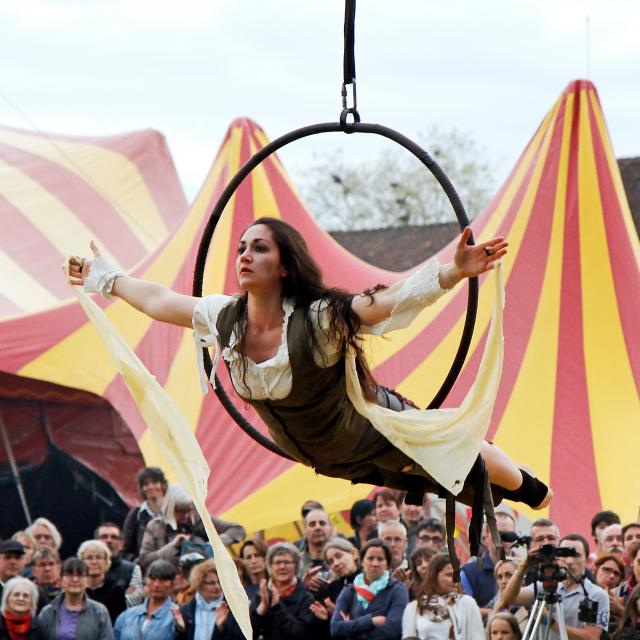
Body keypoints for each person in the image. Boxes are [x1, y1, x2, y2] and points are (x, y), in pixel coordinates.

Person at [69, 218, 552, 512]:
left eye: (259, 248)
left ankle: (529, 486)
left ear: (284, 266)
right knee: (441, 477)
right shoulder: (224, 319)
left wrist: (452, 272)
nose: (245, 254)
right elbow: (158, 300)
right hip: (331, 458)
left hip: (372, 428)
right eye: (241, 247)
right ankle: (513, 485)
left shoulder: (318, 319)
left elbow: (384, 303)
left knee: (455, 451)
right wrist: (106, 278)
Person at [501, 535, 610, 640]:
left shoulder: (596, 594)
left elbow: (591, 638)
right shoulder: (544, 586)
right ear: (556, 558)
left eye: (575, 555)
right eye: (564, 555)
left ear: (588, 561)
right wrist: (524, 566)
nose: (569, 561)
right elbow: (509, 598)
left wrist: (550, 621)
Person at [139, 485, 246, 572]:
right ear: (170, 509)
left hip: (202, 578)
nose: (185, 516)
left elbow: (237, 530)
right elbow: (144, 560)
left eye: (188, 510)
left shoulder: (200, 520)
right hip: (170, 580)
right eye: (180, 512)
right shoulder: (155, 526)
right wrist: (172, 547)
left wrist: (212, 544)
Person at [331, 539, 408, 639]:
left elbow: (393, 629)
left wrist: (352, 628)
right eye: (370, 558)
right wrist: (371, 621)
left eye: (380, 559)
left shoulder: (397, 590)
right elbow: (336, 628)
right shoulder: (350, 590)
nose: (375, 564)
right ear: (362, 562)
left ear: (387, 564)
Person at [402, 552, 484, 639]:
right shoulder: (413, 608)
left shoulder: (467, 603)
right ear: (434, 576)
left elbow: (478, 636)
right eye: (449, 575)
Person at [250, 542, 319, 640]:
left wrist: (277, 607)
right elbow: (250, 635)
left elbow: (301, 634)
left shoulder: (306, 598)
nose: (282, 566)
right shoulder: (261, 596)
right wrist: (261, 609)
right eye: (277, 562)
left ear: (296, 567)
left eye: (287, 562)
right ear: (270, 567)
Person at [38, 557, 113, 640]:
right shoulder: (48, 612)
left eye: (80, 575)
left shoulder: (99, 611)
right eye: (69, 574)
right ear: (61, 579)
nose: (75, 579)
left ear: (87, 580)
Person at [175, 559, 243, 639]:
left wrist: (221, 628)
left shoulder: (233, 608)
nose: (217, 587)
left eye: (219, 582)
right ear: (199, 584)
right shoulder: (185, 611)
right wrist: (180, 630)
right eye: (211, 583)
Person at [113, 560, 179, 640]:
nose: (156, 585)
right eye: (152, 579)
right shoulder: (127, 615)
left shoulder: (176, 616)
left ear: (172, 584)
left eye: (163, 580)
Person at [122, 467, 168, 562]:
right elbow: (126, 548)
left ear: (163, 485)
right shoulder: (135, 515)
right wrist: (137, 562)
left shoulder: (175, 510)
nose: (151, 487)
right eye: (146, 484)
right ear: (142, 489)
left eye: (155, 482)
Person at [77, 540, 126, 624]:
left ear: (107, 562)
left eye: (99, 557)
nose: (94, 562)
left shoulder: (116, 590)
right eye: (89, 558)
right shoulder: (75, 589)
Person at [95, 523, 144, 606]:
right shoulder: (85, 568)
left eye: (114, 537)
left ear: (121, 544)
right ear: (95, 542)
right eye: (104, 537)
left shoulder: (133, 569)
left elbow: (134, 602)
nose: (109, 541)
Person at [594, 554, 626, 635]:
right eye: (607, 570)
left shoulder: (623, 602)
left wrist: (621, 610)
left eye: (616, 573)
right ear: (595, 570)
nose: (612, 576)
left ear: (619, 580)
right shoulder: (582, 592)